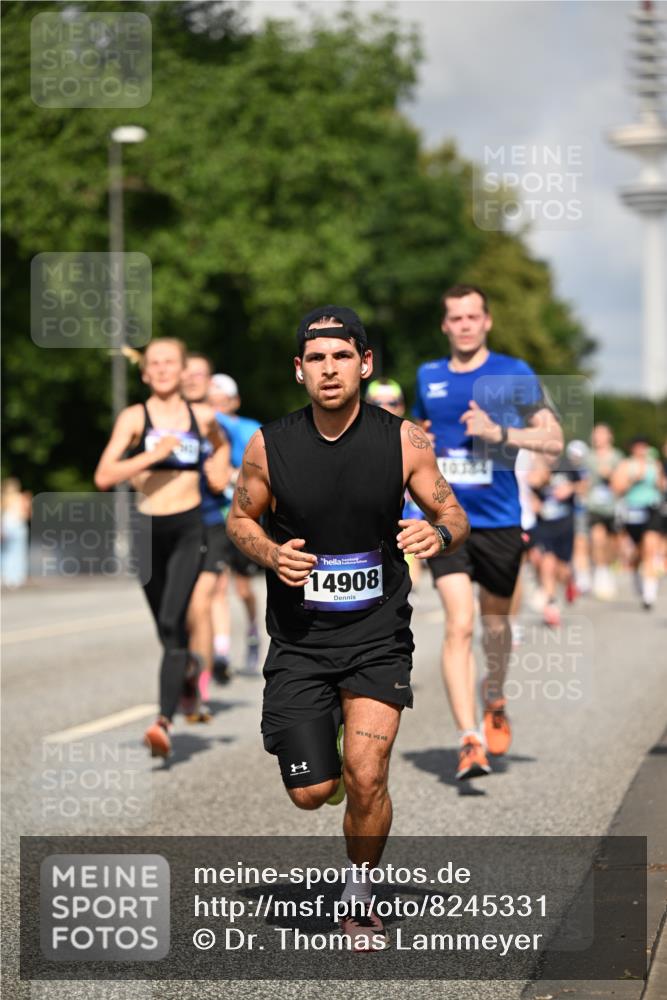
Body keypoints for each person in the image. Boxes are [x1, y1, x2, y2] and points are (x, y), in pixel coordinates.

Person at [226, 305, 468, 949]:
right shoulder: (266, 445)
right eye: (315, 359)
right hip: (301, 641)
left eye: (341, 356)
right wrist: (273, 554)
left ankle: (360, 892)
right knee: (314, 792)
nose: (328, 369)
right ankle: (324, 756)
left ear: (364, 364)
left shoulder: (406, 440)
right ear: (299, 372)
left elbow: (453, 513)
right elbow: (240, 522)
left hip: (377, 635)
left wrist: (436, 532)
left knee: (368, 773)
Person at [413, 284, 563, 780]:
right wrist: (419, 440)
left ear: (487, 321)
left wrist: (501, 434)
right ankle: (469, 738)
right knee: (459, 623)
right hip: (448, 521)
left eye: (472, 317)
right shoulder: (428, 376)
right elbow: (416, 434)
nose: (464, 325)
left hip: (499, 521)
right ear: (444, 325)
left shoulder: (513, 373)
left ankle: (494, 695)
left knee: (495, 628)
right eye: (455, 318)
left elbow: (553, 439)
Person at [94, 338, 229, 757]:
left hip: (191, 528)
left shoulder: (202, 416)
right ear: (146, 373)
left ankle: (163, 721)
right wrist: (153, 457)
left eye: (171, 362)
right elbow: (104, 474)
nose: (164, 369)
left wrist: (218, 469)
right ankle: (188, 671)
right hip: (148, 529)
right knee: (164, 627)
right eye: (156, 363)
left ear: (183, 369)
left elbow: (222, 445)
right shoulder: (136, 417)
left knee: (174, 620)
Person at [181, 354, 232, 710]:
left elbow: (224, 469)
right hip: (174, 523)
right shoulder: (162, 420)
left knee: (201, 601)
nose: (194, 378)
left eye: (202, 373)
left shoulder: (214, 422)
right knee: (180, 610)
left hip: (212, 523)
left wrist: (222, 474)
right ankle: (190, 667)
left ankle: (199, 683)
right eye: (190, 372)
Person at [207, 373, 263, 679]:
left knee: (242, 588)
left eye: (222, 401)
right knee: (217, 584)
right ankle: (222, 650)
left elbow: (258, 469)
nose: (216, 407)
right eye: (210, 401)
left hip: (242, 514)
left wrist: (230, 474)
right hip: (213, 514)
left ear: (235, 401)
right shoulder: (204, 425)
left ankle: (253, 632)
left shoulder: (247, 428)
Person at [365, 378, 425, 589]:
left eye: (392, 402)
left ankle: (409, 588)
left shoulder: (416, 439)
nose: (385, 408)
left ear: (402, 406)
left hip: (409, 509)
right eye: (377, 402)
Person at [529, 452, 581, 628]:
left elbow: (585, 485)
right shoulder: (534, 467)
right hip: (543, 526)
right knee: (547, 562)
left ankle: (569, 580)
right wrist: (534, 500)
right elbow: (526, 489)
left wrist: (571, 488)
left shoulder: (568, 465)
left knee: (562, 570)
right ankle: (551, 606)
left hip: (565, 525)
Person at [612, 436, 665, 610]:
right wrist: (634, 479)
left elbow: (660, 485)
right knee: (636, 553)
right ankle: (637, 577)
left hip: (652, 509)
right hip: (632, 511)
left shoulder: (654, 465)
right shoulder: (625, 465)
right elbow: (617, 488)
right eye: (638, 446)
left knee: (650, 548)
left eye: (644, 446)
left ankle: (649, 595)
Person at [585, 424, 623, 600]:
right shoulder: (588, 457)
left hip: (613, 506)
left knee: (612, 543)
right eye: (596, 434)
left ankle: (607, 568)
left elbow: (622, 482)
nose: (598, 437)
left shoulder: (617, 456)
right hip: (594, 506)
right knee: (597, 538)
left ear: (610, 436)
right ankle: (600, 573)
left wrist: (611, 475)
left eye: (602, 434)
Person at [1, 478, 31, 588]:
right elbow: (26, 514)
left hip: (7, 525)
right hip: (17, 526)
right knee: (18, 552)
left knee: (6, 552)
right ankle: (16, 578)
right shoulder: (20, 498)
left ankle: (6, 576)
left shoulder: (3, 498)